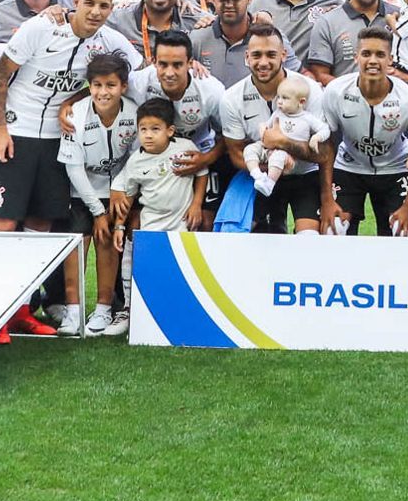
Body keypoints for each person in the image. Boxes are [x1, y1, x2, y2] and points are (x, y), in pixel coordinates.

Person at [218, 22, 331, 235]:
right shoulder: (231, 98)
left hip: (304, 175)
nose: (263, 62)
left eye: (271, 54)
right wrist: (271, 164)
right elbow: (235, 154)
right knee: (259, 240)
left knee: (311, 238)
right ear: (246, 57)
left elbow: (324, 153)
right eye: (256, 55)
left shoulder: (311, 90)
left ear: (283, 55)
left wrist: (282, 142)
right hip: (261, 177)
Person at [59, 54, 139, 336]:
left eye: (111, 85)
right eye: (96, 85)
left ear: (124, 87)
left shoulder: (133, 114)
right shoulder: (76, 114)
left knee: (107, 241)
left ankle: (104, 310)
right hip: (81, 190)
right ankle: (73, 311)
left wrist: (117, 190)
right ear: (89, 86)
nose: (103, 92)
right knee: (77, 241)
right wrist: (97, 210)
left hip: (118, 189)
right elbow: (73, 167)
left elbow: (134, 159)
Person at [321, 25, 408, 237]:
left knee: (401, 232)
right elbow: (327, 144)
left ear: (390, 60)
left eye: (380, 55)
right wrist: (327, 200)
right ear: (356, 57)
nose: (373, 61)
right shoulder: (336, 91)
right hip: (349, 166)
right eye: (366, 54)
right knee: (334, 230)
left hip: (395, 168)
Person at [110, 99, 209, 313]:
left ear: (170, 130)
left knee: (181, 267)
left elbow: (202, 173)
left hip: (182, 221)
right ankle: (131, 308)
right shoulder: (135, 161)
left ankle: (183, 308)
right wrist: (119, 226)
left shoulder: (185, 148)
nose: (148, 135)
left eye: (155, 129)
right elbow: (128, 195)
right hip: (151, 222)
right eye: (143, 129)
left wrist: (196, 205)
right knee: (145, 265)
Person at [127, 31, 224, 217]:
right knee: (137, 221)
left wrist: (207, 159)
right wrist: (69, 103)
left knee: (204, 221)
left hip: (198, 156)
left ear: (190, 63)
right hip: (152, 158)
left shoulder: (211, 90)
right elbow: (107, 85)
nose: (169, 73)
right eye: (163, 64)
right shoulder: (141, 81)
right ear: (154, 61)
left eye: (177, 65)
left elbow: (230, 135)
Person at [193, 0, 303, 88]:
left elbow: (299, 76)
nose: (229, 4)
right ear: (214, 0)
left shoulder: (272, 37)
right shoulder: (198, 38)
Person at [305, 0, 396, 85]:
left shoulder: (400, 18)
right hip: (344, 104)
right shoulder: (327, 22)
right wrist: (354, 95)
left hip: (391, 104)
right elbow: (320, 74)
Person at [243, 74, 328, 197]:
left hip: (289, 157)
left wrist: (316, 138)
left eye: (285, 98)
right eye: (278, 97)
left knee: (279, 155)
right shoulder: (277, 113)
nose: (279, 101)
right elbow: (266, 125)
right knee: (250, 149)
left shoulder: (307, 118)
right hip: (268, 150)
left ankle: (269, 184)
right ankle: (258, 176)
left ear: (301, 102)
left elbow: (325, 129)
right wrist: (262, 128)